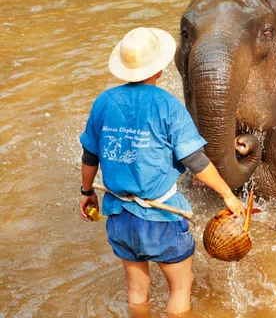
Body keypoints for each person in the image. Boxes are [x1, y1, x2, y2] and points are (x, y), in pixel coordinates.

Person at [78, 27, 245, 317]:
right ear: (160, 67)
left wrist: (86, 192)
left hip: (118, 213)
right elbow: (195, 161)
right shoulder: (167, 105)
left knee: (136, 291)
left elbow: (90, 154)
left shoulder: (104, 101)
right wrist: (227, 195)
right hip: (161, 215)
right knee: (181, 285)